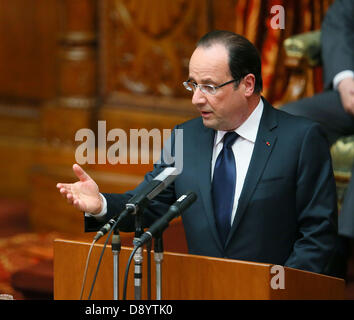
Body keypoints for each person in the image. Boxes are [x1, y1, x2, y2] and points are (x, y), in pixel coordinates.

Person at [57, 30, 339, 276]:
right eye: (192, 84)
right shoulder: (186, 138)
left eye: (209, 86)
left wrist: (282, 291)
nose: (196, 98)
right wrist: (101, 205)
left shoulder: (300, 140)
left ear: (247, 85)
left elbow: (317, 238)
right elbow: (147, 206)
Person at [281, 0, 354, 238]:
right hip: (349, 96)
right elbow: (340, 17)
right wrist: (345, 80)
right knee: (288, 121)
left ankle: (341, 246)